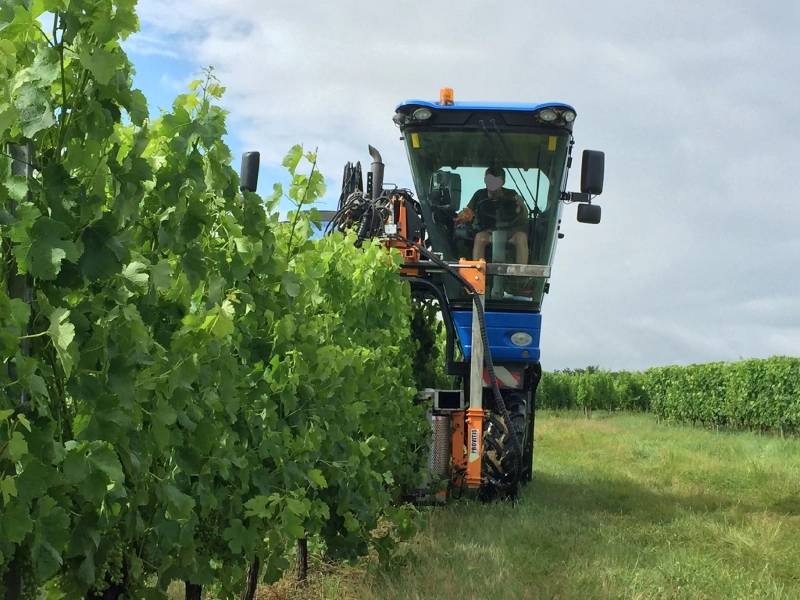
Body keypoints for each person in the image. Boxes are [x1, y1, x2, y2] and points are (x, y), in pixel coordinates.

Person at [454, 166, 529, 263]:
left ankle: (521, 275)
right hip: (488, 233)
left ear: (503, 182)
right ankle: (478, 273)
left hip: (510, 233)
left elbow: (524, 215)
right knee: (479, 238)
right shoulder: (479, 195)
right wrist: (463, 216)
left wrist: (521, 204)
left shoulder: (511, 194)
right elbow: (469, 212)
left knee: (521, 237)